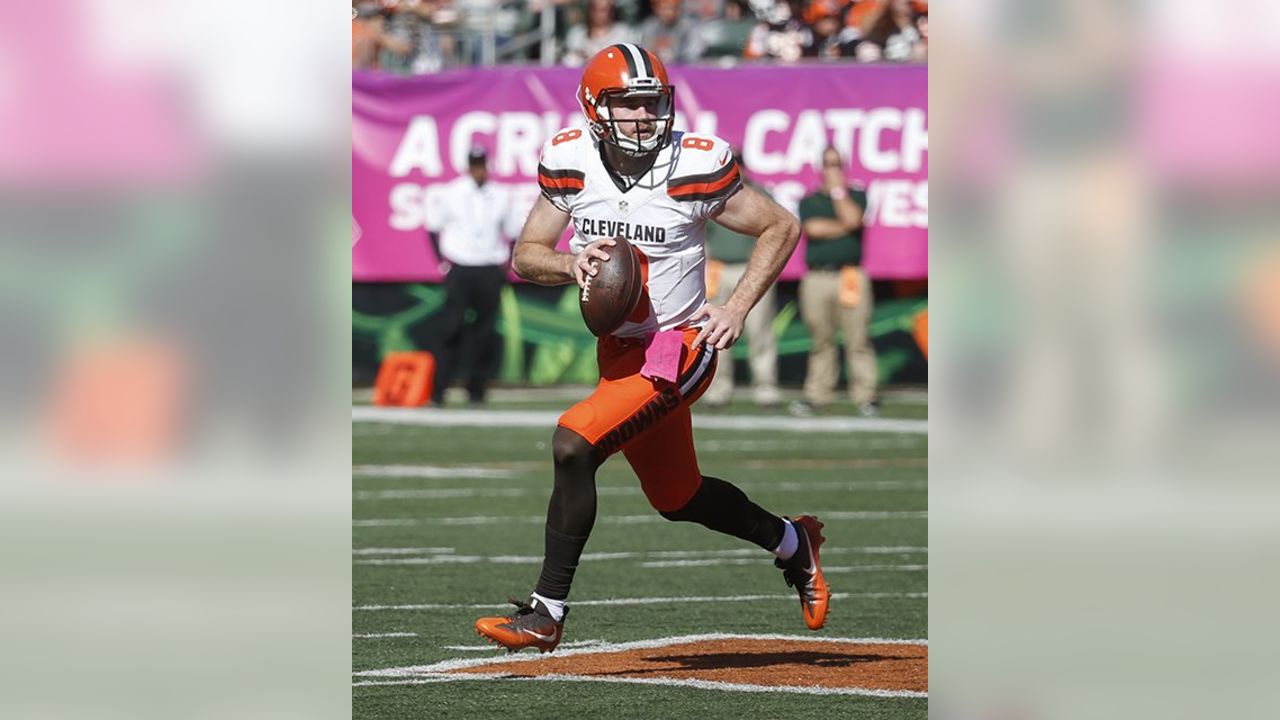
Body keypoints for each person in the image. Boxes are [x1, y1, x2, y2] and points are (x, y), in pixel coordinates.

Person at [474, 43, 829, 652]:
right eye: (627, 104)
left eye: (650, 103)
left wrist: (736, 305)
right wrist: (569, 263)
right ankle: (794, 543)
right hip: (619, 349)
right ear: (594, 107)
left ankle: (546, 609)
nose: (642, 116)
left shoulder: (692, 163)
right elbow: (526, 254)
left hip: (679, 345)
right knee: (678, 496)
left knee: (573, 442)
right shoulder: (570, 159)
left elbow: (782, 224)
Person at [792, 145, 880, 417]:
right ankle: (818, 394)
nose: (832, 170)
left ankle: (865, 394)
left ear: (844, 167)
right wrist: (844, 227)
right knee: (821, 339)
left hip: (850, 275)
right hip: (818, 276)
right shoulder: (809, 200)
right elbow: (813, 229)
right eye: (828, 164)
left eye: (836, 164)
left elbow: (853, 219)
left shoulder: (856, 195)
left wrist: (839, 192)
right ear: (820, 168)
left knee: (858, 337)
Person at [426, 146, 512, 406]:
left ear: (488, 165)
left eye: (482, 164)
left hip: (488, 266)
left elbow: (512, 231)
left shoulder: (500, 195)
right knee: (451, 329)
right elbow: (433, 227)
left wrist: (503, 267)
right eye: (475, 164)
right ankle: (439, 389)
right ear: (468, 166)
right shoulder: (452, 192)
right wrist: (443, 263)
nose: (478, 169)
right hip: (461, 266)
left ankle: (476, 390)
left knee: (484, 332)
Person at [702, 150, 782, 409]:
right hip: (718, 269)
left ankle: (766, 387)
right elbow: (701, 234)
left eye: (738, 164)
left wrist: (764, 269)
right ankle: (718, 388)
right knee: (716, 331)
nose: (735, 169)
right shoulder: (713, 192)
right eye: (730, 164)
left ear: (745, 167)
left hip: (752, 271)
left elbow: (776, 233)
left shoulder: (761, 195)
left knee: (760, 331)